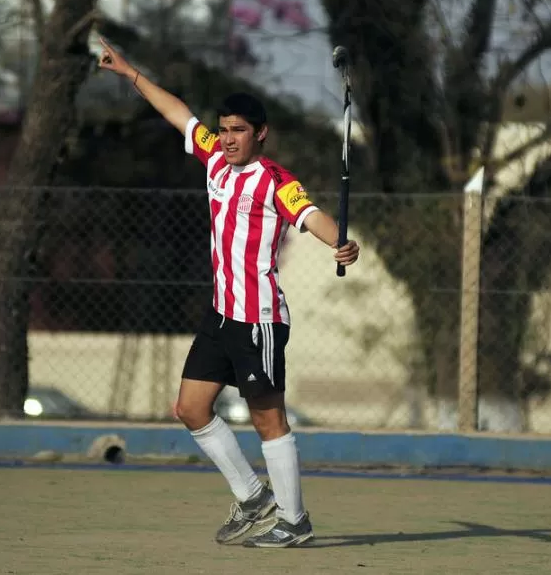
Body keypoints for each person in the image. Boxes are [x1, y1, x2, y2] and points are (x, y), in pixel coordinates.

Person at [96, 37, 360, 548]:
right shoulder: (214, 159)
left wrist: (341, 245)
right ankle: (253, 497)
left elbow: (312, 216)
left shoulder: (275, 180)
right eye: (224, 129)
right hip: (220, 316)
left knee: (268, 419)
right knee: (190, 408)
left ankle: (294, 519)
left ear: (261, 133)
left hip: (259, 318)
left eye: (239, 131)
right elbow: (177, 112)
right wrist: (130, 74)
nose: (229, 138)